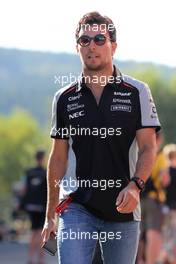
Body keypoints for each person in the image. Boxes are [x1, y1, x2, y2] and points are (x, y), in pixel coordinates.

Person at [42, 11, 161, 264]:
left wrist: (136, 185)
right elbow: (58, 158)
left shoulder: (137, 91)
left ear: (113, 46)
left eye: (99, 39)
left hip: (124, 207)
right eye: (85, 40)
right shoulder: (64, 97)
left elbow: (149, 148)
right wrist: (50, 213)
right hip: (76, 206)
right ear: (77, 48)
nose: (92, 46)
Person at [137, 132, 169, 264]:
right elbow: (165, 180)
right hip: (153, 200)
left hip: (136, 199)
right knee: (153, 233)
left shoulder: (138, 153)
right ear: (159, 139)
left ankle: (138, 260)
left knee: (138, 234)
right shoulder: (159, 156)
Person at [23, 150, 47, 264]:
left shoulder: (29, 172)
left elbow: (24, 189)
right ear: (43, 158)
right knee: (41, 232)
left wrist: (23, 203)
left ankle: (30, 258)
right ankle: (41, 259)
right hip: (42, 206)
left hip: (31, 206)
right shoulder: (45, 172)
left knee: (33, 232)